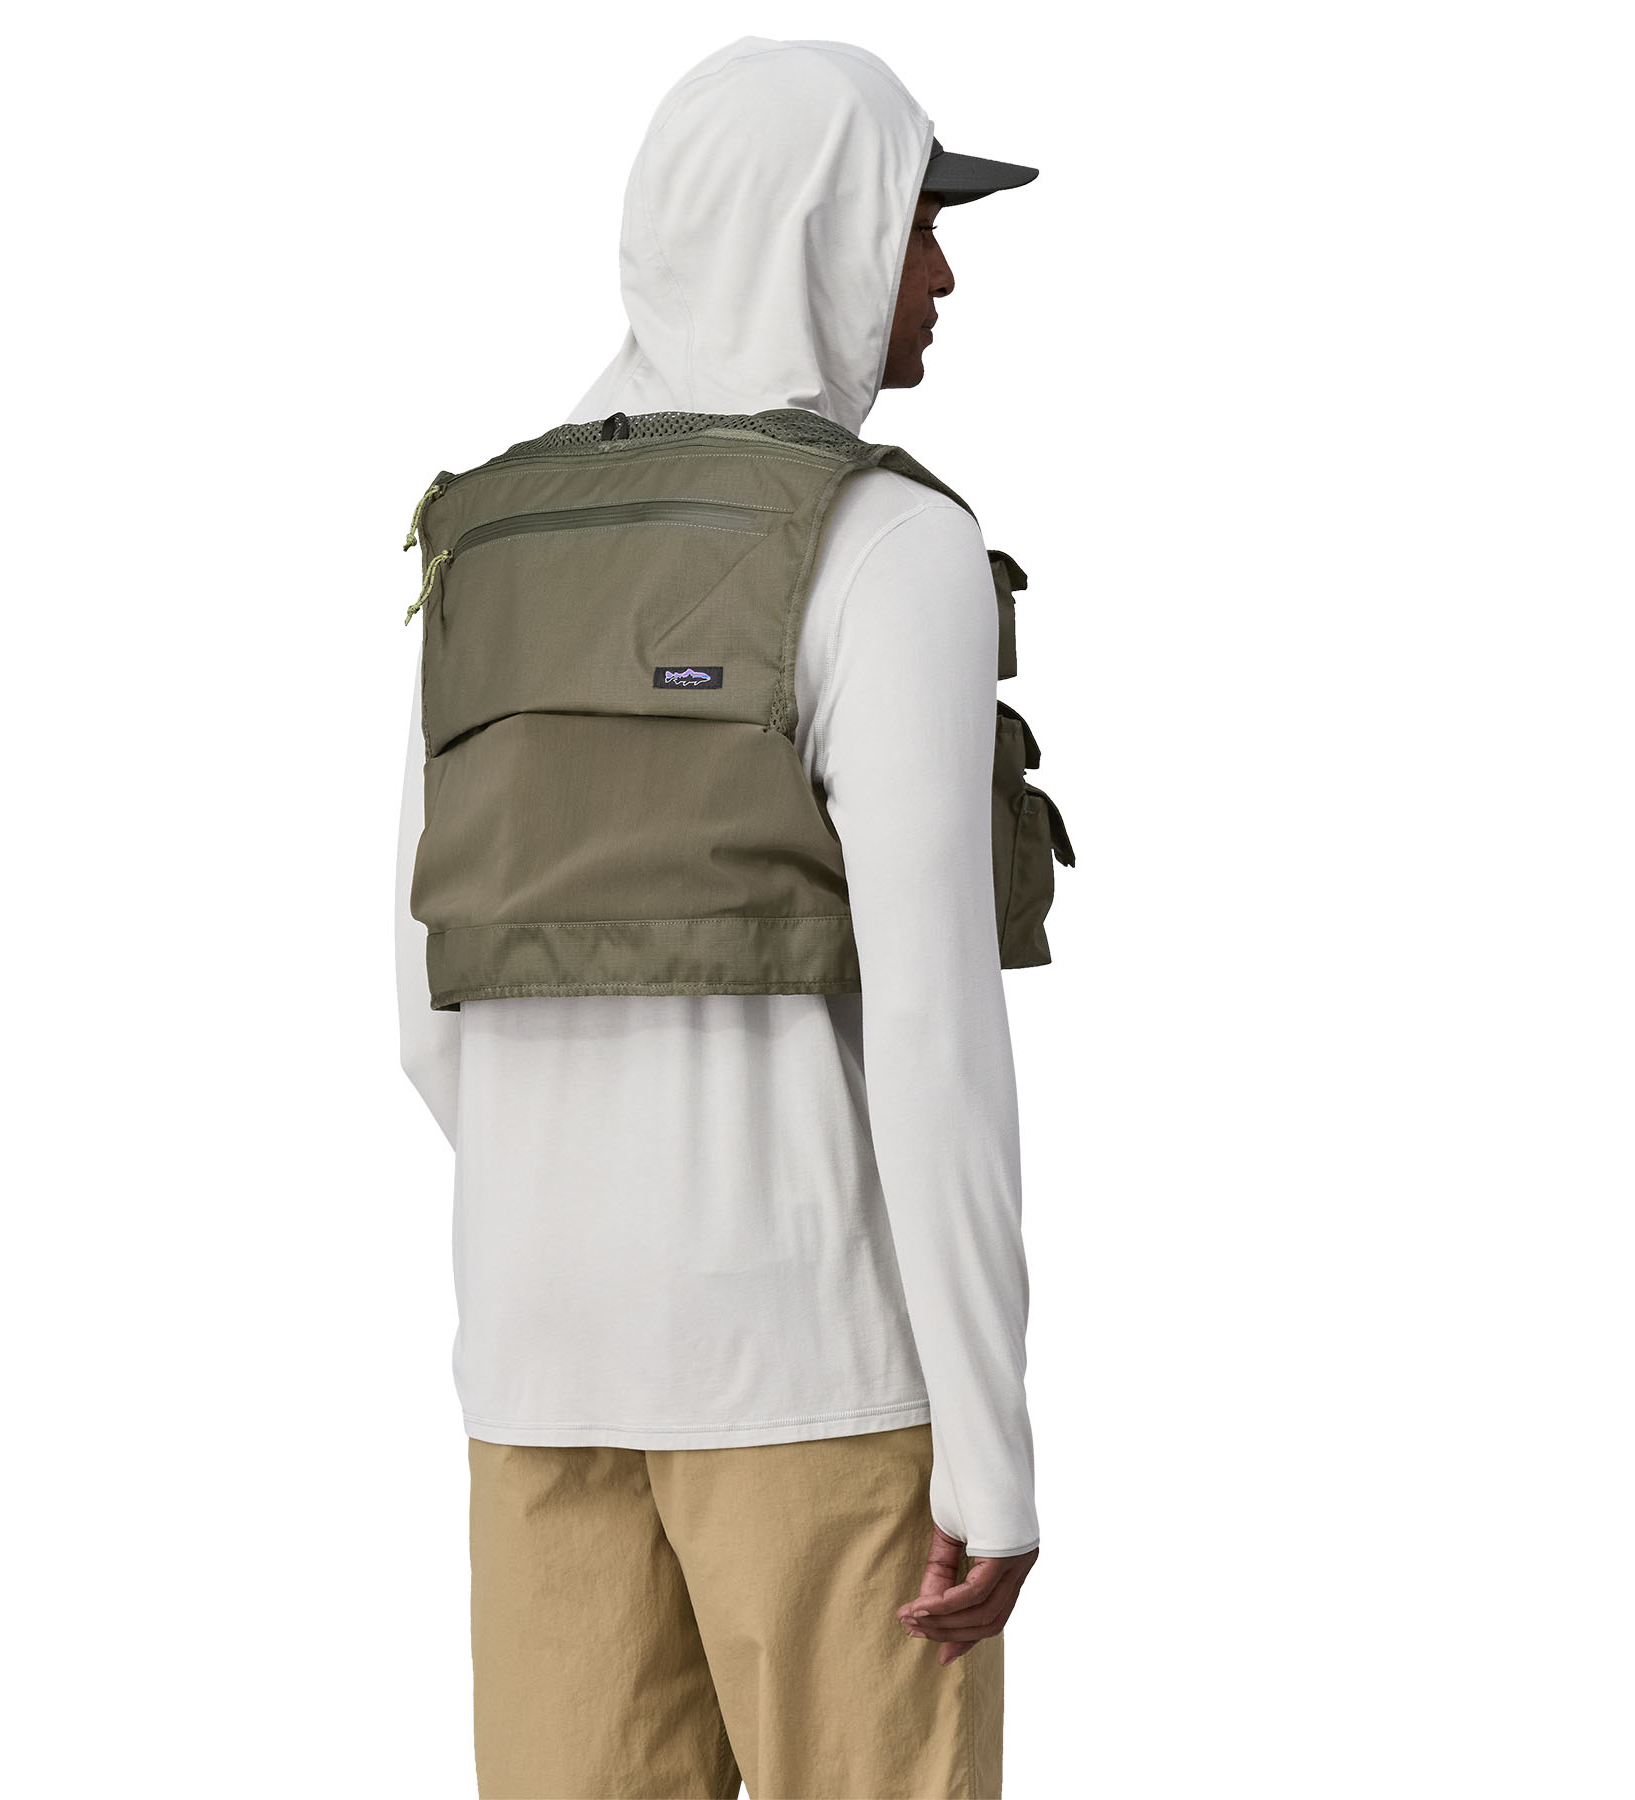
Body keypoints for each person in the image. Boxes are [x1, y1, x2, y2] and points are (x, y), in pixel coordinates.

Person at [397, 36, 1046, 1800]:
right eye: (918, 221)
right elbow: (932, 1036)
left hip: (538, 1368)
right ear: (823, 229)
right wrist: (990, 1451)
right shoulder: (887, 546)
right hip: (814, 1380)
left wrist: (591, 1198)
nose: (942, 273)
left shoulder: (485, 540)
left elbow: (421, 1010)